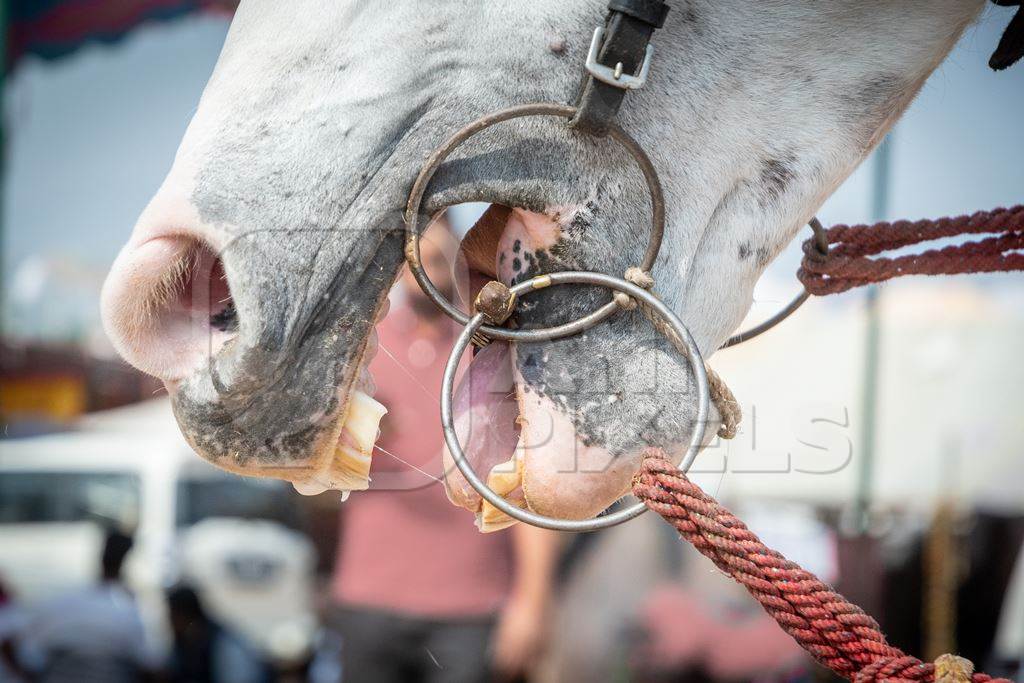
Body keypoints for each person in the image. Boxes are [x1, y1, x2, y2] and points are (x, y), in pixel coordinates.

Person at [329, 223, 560, 683]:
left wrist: (532, 602)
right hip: (367, 600)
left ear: (459, 260)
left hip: (469, 608)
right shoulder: (361, 350)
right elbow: (312, 479)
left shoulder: (494, 351)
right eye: (412, 263)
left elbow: (530, 486)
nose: (423, 274)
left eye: (436, 261)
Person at [8, 530, 159, 682]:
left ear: (101, 557)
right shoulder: (128, 611)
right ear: (127, 563)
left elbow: (11, 639)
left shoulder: (62, 602)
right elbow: (149, 664)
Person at [165, 585, 270, 683]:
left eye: (173, 615)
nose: (170, 620)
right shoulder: (184, 641)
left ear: (184, 615)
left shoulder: (220, 642)